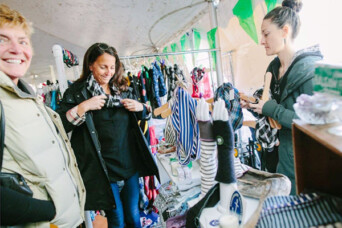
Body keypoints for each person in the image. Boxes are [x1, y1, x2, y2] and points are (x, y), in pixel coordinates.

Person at [0, 4, 86, 227]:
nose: (16, 50)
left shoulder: (26, 96)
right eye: (2, 39)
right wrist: (50, 210)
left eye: (22, 41)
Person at [57, 42, 160, 228]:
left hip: (129, 163)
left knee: (134, 215)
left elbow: (148, 112)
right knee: (117, 221)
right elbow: (60, 125)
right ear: (90, 65)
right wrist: (84, 106)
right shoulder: (77, 93)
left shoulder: (122, 89)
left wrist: (141, 107)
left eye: (112, 67)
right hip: (102, 170)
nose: (109, 72)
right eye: (103, 66)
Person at [240, 0, 323, 195]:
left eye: (266, 34)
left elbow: (312, 124)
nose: (261, 40)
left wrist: (270, 108)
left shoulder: (311, 71)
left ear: (285, 31)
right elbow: (273, 114)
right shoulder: (273, 70)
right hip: (279, 162)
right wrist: (255, 105)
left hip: (303, 167)